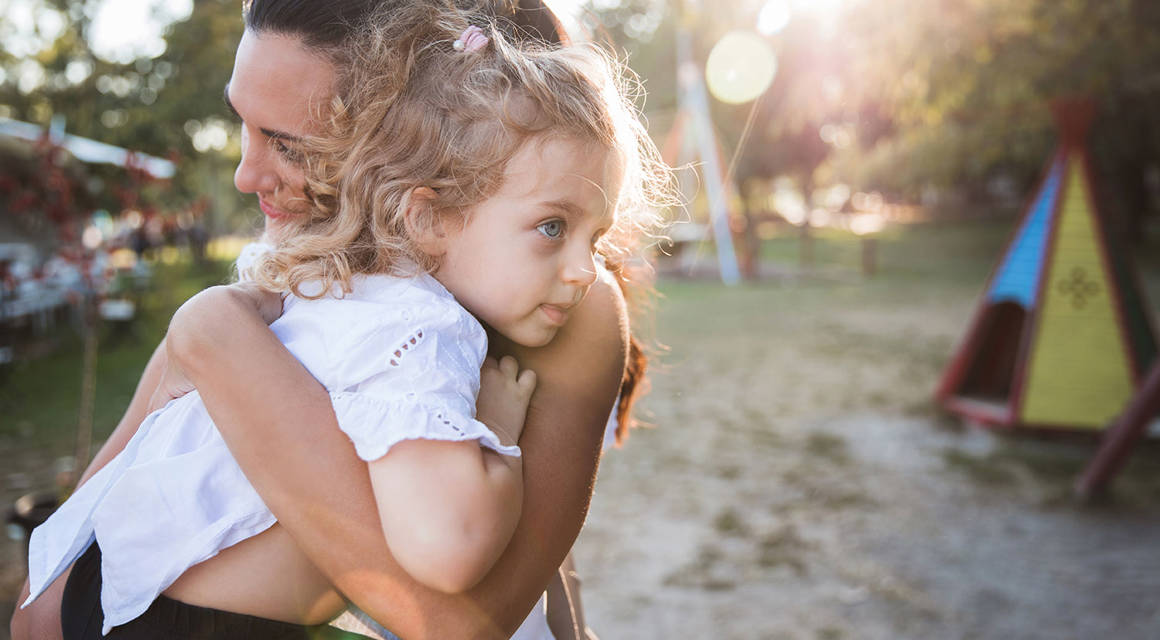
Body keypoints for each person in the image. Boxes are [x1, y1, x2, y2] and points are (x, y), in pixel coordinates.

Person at [10, 1, 667, 638]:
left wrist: (211, 336)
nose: (244, 174)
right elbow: (52, 583)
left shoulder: (556, 305)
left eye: (286, 144)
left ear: (409, 137)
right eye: (241, 122)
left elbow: (458, 619)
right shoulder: (298, 283)